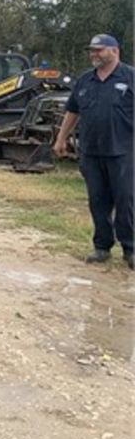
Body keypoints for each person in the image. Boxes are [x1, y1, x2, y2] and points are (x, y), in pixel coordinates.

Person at [53, 34, 134, 268]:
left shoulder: (130, 77)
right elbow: (72, 111)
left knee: (126, 200)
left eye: (99, 50)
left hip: (124, 151)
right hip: (91, 151)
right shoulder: (85, 80)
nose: (94, 54)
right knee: (97, 201)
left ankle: (130, 249)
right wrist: (61, 138)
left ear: (115, 51)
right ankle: (102, 246)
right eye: (92, 50)